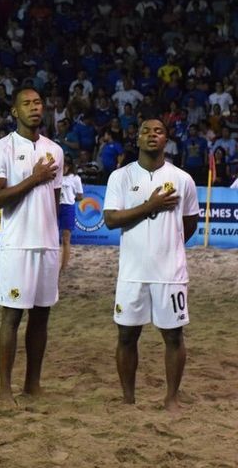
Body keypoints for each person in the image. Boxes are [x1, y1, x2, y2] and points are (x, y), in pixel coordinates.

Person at [103, 119, 199, 412]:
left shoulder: (182, 179)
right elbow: (111, 219)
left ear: (166, 139)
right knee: (126, 336)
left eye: (158, 131)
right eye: (145, 131)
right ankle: (128, 398)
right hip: (131, 273)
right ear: (137, 139)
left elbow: (189, 223)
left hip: (170, 273)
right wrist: (151, 206)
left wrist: (168, 244)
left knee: (173, 336)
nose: (151, 135)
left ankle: (171, 397)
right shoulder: (120, 177)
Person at [0, 87, 63, 404]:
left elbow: (54, 200)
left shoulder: (55, 150)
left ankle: (32, 384)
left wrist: (57, 239)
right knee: (12, 317)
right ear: (15, 112)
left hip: (47, 245)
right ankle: (5, 388)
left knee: (41, 317)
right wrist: (34, 178)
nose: (34, 107)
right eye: (27, 103)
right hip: (17, 245)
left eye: (38, 103)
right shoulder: (1, 149)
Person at [59, 155, 83, 272]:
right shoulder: (55, 176)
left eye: (65, 166)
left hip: (68, 207)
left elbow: (80, 196)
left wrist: (70, 198)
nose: (63, 168)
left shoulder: (75, 178)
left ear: (69, 166)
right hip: (55, 207)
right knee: (52, 238)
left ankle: (63, 267)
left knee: (65, 239)